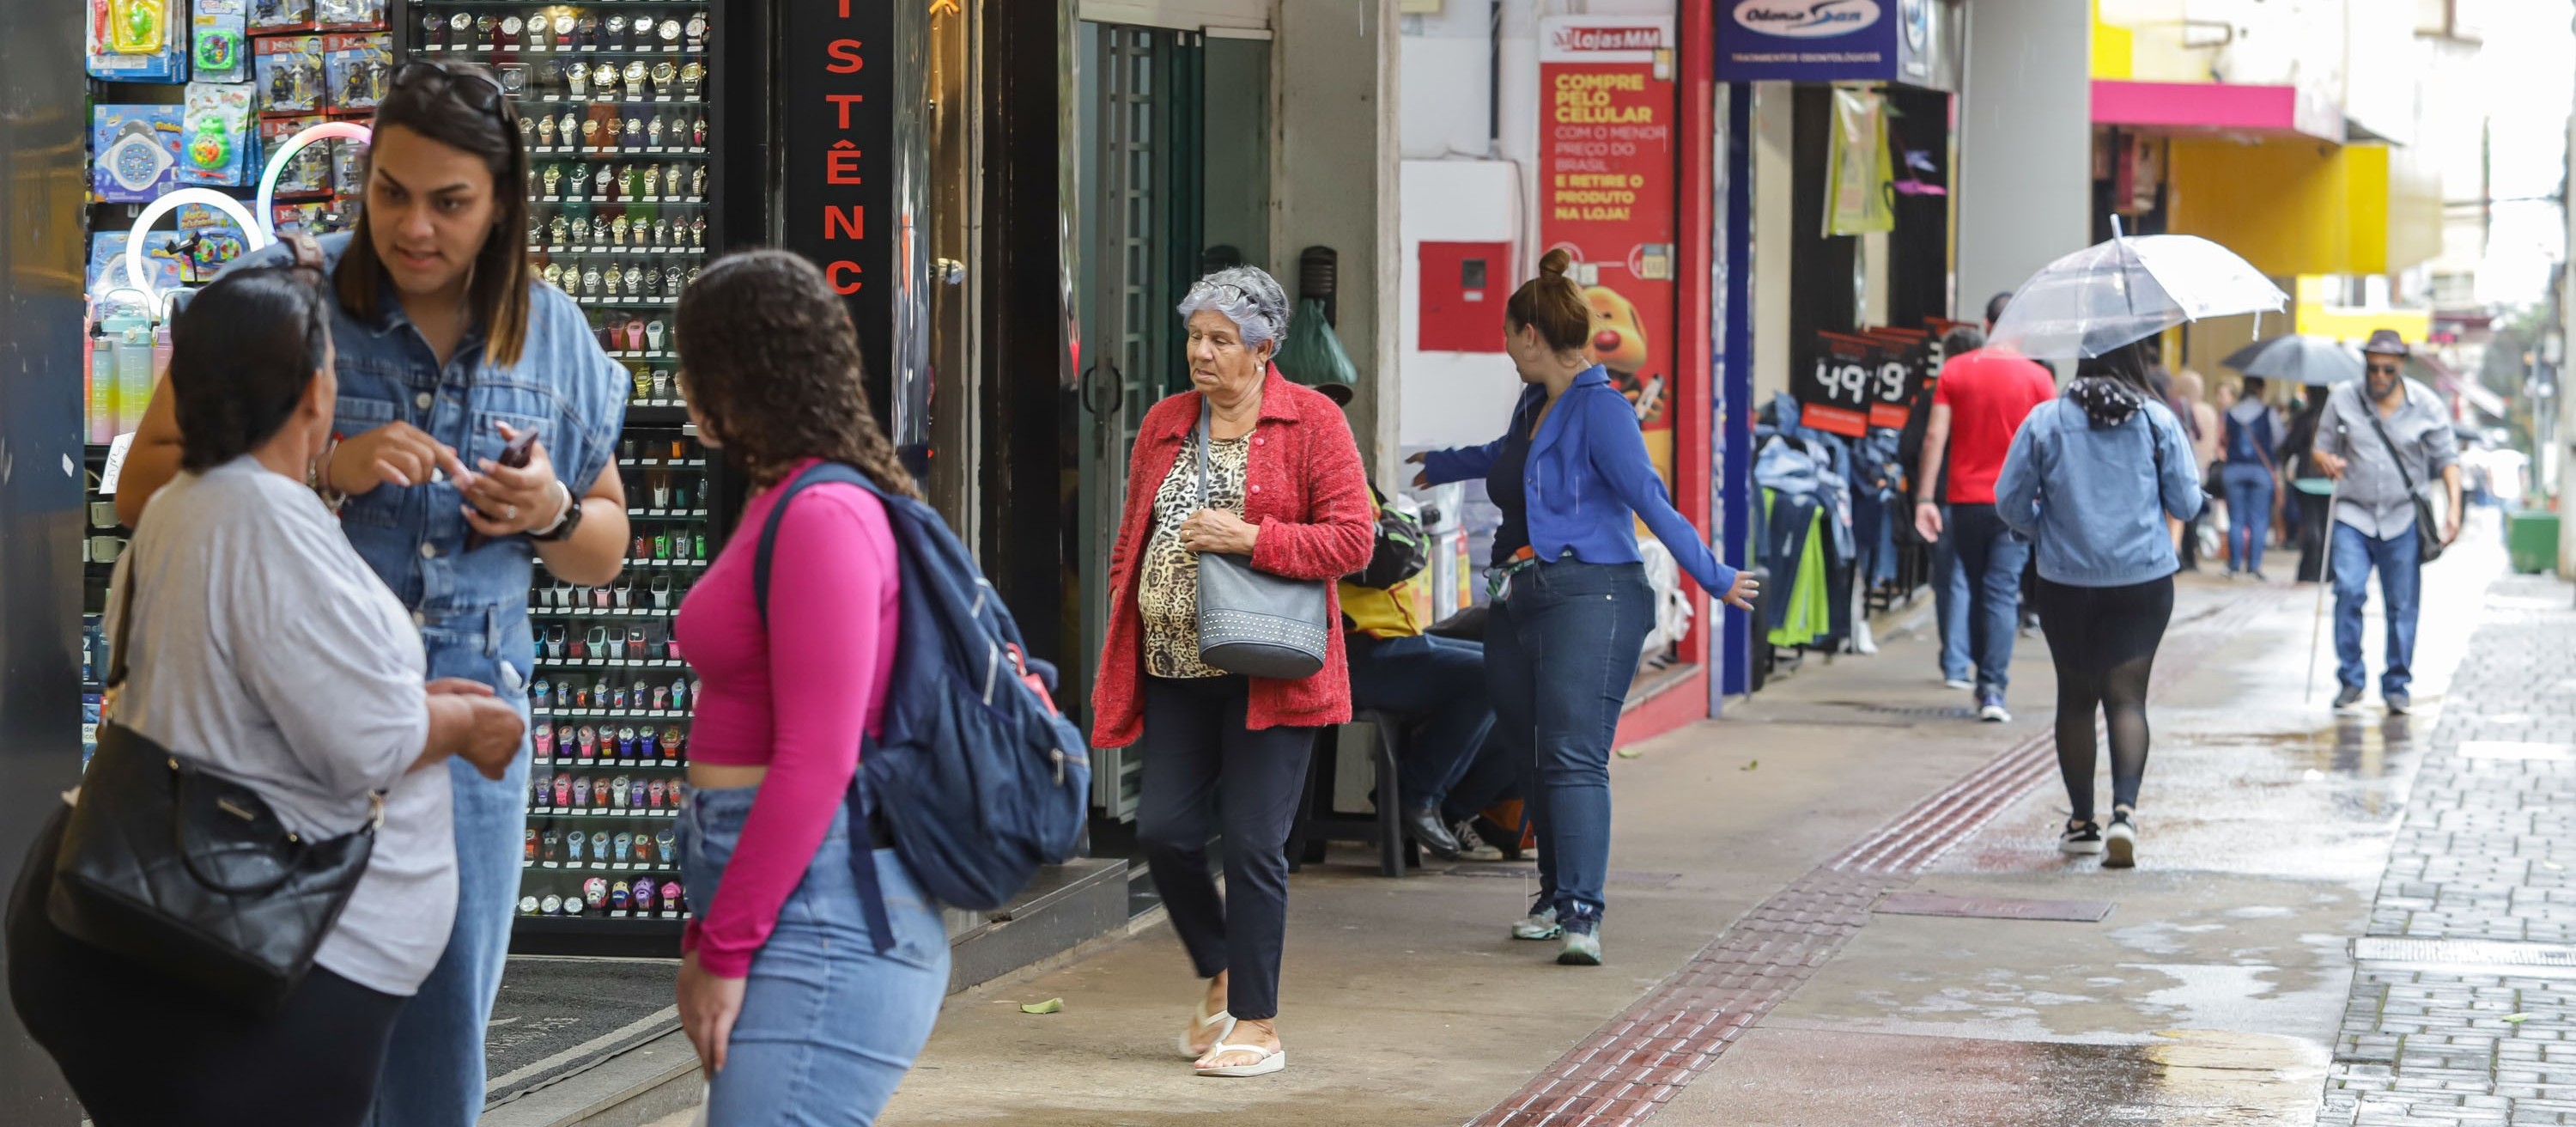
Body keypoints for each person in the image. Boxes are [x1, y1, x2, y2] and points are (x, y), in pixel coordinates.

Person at [110, 60, 632, 1124]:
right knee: (270, 1036)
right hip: (277, 742)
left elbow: (608, 545)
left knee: (439, 1065)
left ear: (502, 205)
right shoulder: (284, 296)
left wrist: (550, 515)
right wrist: (318, 466)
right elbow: (143, 485)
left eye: (450, 203)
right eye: (391, 192)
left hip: (470, 747)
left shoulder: (553, 335)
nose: (415, 229)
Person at [7, 265, 525, 1126]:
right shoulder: (262, 522)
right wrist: (466, 722)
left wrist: (407, 697)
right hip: (246, 958)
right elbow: (367, 743)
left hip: (134, 925)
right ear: (317, 390)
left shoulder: (190, 504)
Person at [659, 251, 946, 1122]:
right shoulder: (781, 496)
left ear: (737, 373)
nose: (678, 384)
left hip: (823, 909)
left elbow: (816, 763)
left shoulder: (822, 513)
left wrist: (727, 945)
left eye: (690, 361)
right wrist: (709, 931)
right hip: (783, 891)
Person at [1413, 250, 1759, 966]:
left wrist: (1715, 576)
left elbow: (1649, 500)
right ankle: (1549, 896)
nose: (1505, 350)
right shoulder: (1535, 402)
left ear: (1531, 335)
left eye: (1509, 336)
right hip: (1518, 597)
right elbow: (1508, 455)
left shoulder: (1605, 411)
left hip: (1593, 595)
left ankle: (1582, 914)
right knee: (1529, 750)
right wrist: (1442, 463)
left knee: (1572, 753)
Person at [1091, 265, 1374, 1078]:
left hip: (1271, 670)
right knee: (1165, 833)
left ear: (1263, 349)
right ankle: (1223, 968)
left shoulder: (1312, 421)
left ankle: (1258, 1021)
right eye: (1194, 336)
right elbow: (1132, 533)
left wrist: (1254, 539)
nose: (1201, 353)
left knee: (1253, 843)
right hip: (1175, 664)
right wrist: (1128, 592)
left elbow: (1354, 541)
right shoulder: (1165, 423)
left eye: (1221, 339)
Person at [1994, 340, 2202, 869]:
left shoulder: (2045, 421)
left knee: (2077, 698)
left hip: (2066, 581)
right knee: (2127, 700)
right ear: (2134, 359)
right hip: (2143, 580)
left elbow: (2009, 501)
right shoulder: (2157, 419)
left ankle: (2082, 824)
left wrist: (2041, 530)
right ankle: (2125, 814)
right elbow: (2186, 501)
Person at [1326, 393, 1511, 862]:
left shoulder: (1352, 482)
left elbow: (1405, 542)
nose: (1339, 429)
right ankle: (1419, 795)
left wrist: (1399, 534)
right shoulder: (1312, 489)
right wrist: (1398, 536)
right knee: (1492, 676)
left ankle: (1448, 807)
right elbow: (1384, 557)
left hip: (1395, 637)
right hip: (1354, 650)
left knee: (1517, 669)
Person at [1912, 292, 2057, 722]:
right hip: (2016, 505)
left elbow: (1935, 437)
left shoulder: (1955, 370)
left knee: (1978, 590)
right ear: (2022, 328)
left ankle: (1983, 677)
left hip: (1965, 502)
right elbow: (2050, 444)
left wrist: (1924, 498)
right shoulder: (2038, 378)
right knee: (2000, 591)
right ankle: (1992, 687)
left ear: (1986, 324)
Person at [2312, 330, 2463, 715]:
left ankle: (2396, 684)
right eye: (2372, 367)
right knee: (2348, 591)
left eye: (2387, 369)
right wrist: (2325, 460)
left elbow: (2448, 461)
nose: (2378, 376)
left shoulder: (2426, 405)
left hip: (2402, 518)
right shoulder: (2343, 398)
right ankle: (2351, 679)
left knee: (2402, 605)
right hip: (2353, 514)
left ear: (2401, 367)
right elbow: (2321, 446)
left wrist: (2454, 510)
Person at [2219, 375, 2281, 580]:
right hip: (2260, 470)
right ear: (2261, 390)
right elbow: (2280, 439)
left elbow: (2225, 438)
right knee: (2259, 519)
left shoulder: (2231, 413)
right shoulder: (2268, 413)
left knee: (2236, 519)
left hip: (2234, 469)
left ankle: (2235, 564)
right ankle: (2254, 565)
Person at [2170, 369, 2221, 571]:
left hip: (2183, 463)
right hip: (2198, 465)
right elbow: (2202, 435)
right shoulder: (2202, 409)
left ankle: (2182, 554)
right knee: (2191, 509)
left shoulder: (2174, 405)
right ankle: (2190, 554)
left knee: (2179, 513)